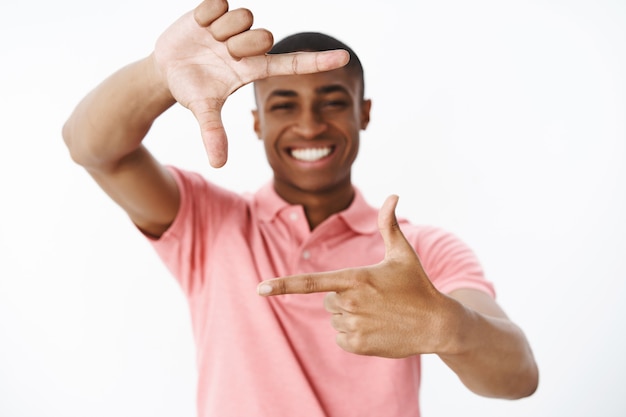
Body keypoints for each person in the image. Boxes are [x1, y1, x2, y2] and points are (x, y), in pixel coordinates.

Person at [62, 0, 539, 416]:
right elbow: (92, 148)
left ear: (363, 113)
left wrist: (446, 324)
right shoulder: (209, 223)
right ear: (257, 122)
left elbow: (518, 377)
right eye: (285, 105)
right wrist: (156, 74)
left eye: (332, 102)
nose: (309, 126)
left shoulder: (421, 250)